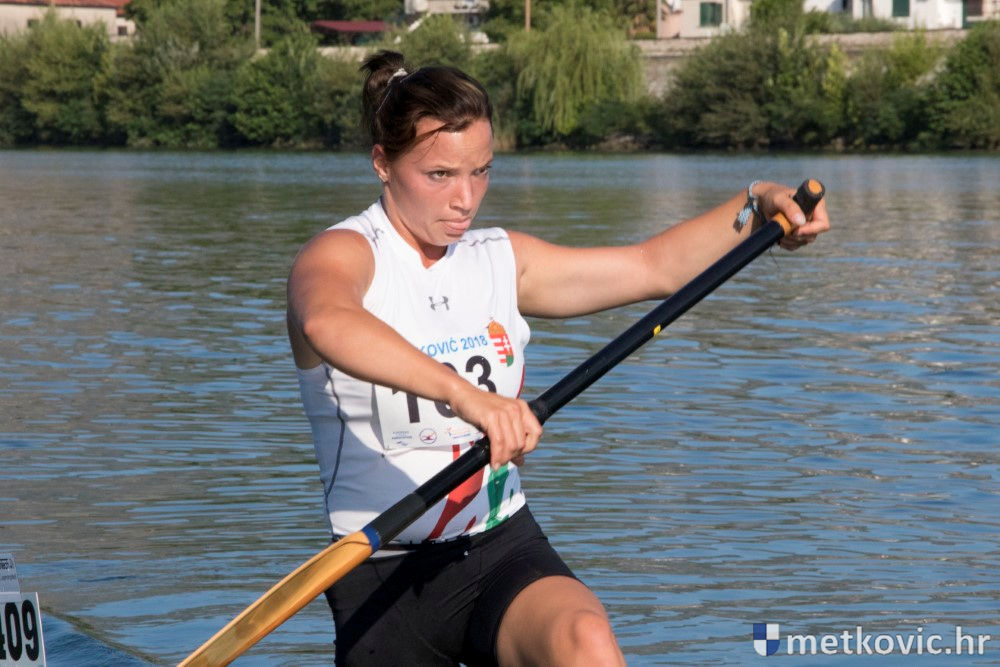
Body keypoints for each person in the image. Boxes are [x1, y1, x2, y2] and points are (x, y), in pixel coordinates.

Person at [286, 50, 830, 666]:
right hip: (381, 573)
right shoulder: (341, 255)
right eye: (440, 175)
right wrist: (466, 397)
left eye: (481, 171)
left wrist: (757, 206)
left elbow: (652, 267)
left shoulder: (500, 258)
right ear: (383, 163)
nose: (465, 199)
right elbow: (327, 321)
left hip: (500, 545)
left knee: (586, 641)